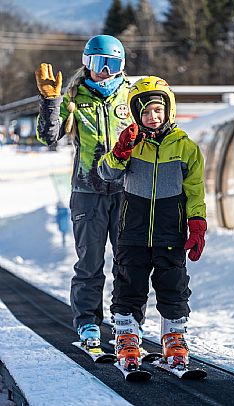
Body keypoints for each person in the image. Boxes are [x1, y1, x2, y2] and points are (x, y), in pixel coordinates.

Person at [98, 76, 207, 371]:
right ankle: (127, 337)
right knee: (128, 284)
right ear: (136, 115)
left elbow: (195, 191)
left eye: (158, 110)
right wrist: (120, 152)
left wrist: (197, 224)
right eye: (146, 112)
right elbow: (106, 173)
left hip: (171, 232)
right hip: (132, 233)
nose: (152, 117)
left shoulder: (187, 149)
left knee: (173, 285)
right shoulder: (130, 145)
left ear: (168, 110)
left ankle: (174, 337)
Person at [35, 35, 133, 347]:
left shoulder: (132, 96)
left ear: (121, 67)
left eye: (111, 65)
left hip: (126, 191)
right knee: (90, 263)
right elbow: (48, 136)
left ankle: (127, 321)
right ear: (85, 64)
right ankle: (88, 322)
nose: (104, 71)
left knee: (128, 263)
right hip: (87, 191)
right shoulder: (75, 98)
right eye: (97, 64)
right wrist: (52, 102)